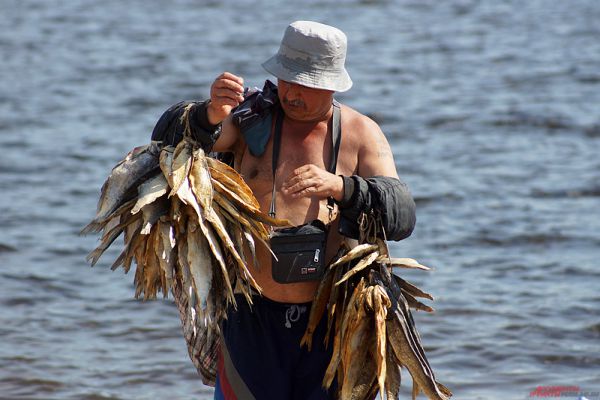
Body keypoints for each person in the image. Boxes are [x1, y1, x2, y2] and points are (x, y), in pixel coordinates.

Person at [151, 21, 416, 400]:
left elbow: (402, 215)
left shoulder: (361, 133)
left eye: (307, 83)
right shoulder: (250, 120)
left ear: (332, 84)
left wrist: (341, 186)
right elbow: (165, 144)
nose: (292, 92)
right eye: (287, 79)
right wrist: (207, 114)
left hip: (333, 319)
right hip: (251, 315)